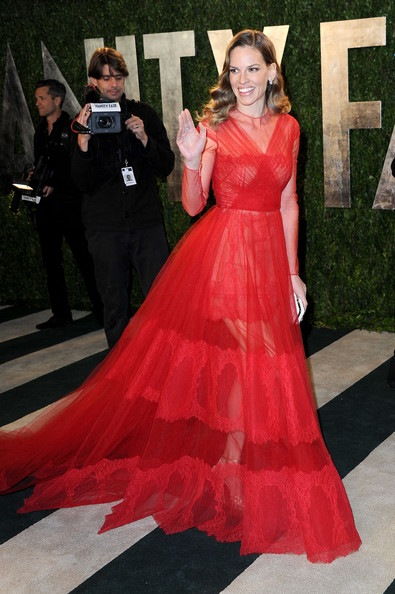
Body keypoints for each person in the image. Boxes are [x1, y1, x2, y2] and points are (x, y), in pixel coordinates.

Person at [0, 31, 361, 563]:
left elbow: (288, 202)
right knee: (254, 365)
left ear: (271, 72)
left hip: (269, 262)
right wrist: (192, 160)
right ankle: (236, 472)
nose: (242, 81)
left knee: (257, 369)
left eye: (252, 70)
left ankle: (237, 469)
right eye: (234, 71)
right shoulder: (215, 127)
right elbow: (194, 206)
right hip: (224, 260)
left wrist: (294, 274)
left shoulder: (290, 128)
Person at [71, 48, 175, 348]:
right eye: (106, 79)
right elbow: (80, 182)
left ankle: (166, 360)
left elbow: (165, 165)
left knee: (161, 299)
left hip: (146, 223)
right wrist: (83, 145)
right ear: (94, 81)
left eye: (118, 77)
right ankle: (119, 372)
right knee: (113, 305)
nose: (114, 84)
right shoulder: (83, 119)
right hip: (104, 227)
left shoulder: (143, 114)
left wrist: (144, 138)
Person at [32, 79, 103, 329]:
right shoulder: (39, 131)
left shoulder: (73, 127)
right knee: (51, 260)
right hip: (46, 208)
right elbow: (42, 164)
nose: (37, 103)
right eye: (37, 99)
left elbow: (78, 169)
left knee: (85, 258)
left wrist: (57, 184)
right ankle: (60, 313)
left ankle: (102, 310)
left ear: (56, 100)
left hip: (71, 207)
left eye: (42, 98)